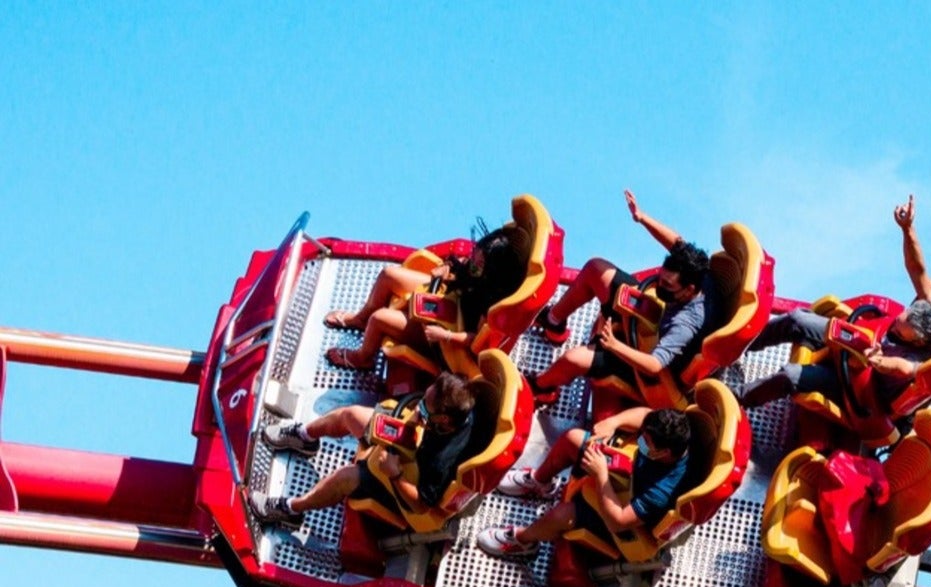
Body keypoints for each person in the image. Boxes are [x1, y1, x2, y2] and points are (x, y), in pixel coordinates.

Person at [737, 195, 931, 412]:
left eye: (900, 330)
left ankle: (738, 397)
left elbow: (904, 368)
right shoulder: (930, 304)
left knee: (790, 375)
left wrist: (878, 361)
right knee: (797, 319)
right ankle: (741, 343)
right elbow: (917, 268)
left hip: (856, 384)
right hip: (852, 339)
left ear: (916, 342)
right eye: (900, 319)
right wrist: (908, 229)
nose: (896, 323)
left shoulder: (922, 361)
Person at [524, 190, 719, 403]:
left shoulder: (686, 324)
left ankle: (541, 388)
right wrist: (641, 217)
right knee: (595, 268)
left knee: (573, 358)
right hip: (647, 320)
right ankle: (554, 323)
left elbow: (654, 365)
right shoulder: (702, 272)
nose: (661, 284)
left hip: (643, 364)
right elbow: (677, 243)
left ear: (689, 289)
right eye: (661, 278)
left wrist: (614, 345)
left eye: (667, 284)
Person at [249, 372, 479, 526]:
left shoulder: (443, 460)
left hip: (406, 481)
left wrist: (395, 475)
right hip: (412, 444)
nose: (421, 409)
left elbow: (421, 505)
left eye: (426, 410)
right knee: (350, 415)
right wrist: (420, 415)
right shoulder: (458, 396)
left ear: (445, 421)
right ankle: (304, 437)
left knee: (347, 476)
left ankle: (290, 509)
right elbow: (428, 406)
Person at [475, 406, 694, 558]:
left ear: (664, 452)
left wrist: (601, 475)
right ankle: (539, 481)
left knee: (562, 514)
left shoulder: (663, 491)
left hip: (622, 510)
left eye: (645, 441)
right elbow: (645, 415)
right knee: (573, 439)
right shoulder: (673, 429)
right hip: (625, 474)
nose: (640, 440)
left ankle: (523, 541)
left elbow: (618, 521)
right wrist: (613, 422)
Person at [323, 223, 528, 371]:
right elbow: (459, 266)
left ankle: (363, 358)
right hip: (444, 299)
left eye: (478, 263)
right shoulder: (475, 267)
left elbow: (477, 341)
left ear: (491, 271)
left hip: (445, 337)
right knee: (388, 275)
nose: (472, 262)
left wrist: (444, 336)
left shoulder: (492, 303)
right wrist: (446, 267)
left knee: (380, 318)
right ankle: (360, 319)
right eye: (475, 254)